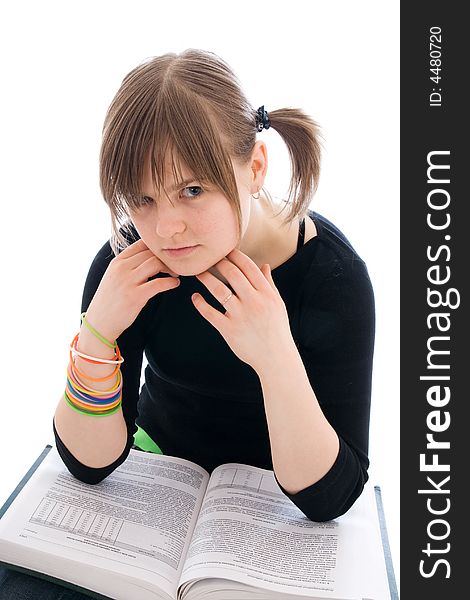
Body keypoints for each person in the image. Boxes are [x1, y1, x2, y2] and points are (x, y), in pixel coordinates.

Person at [0, 48, 375, 598]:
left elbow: (329, 496)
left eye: (192, 190)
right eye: (143, 199)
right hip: (155, 483)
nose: (167, 227)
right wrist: (99, 331)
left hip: (275, 511)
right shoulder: (128, 263)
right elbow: (87, 463)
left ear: (255, 168)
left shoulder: (334, 280)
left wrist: (274, 352)